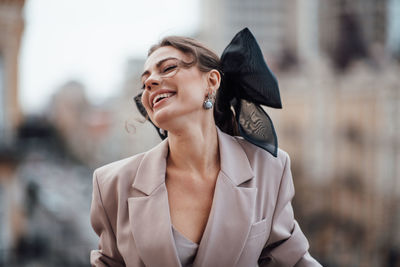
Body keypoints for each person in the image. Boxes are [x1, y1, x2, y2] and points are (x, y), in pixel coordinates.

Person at [90, 28, 321, 267]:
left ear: (211, 81)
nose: (149, 82)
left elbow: (293, 261)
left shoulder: (269, 167)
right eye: (144, 81)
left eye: (168, 68)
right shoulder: (111, 185)